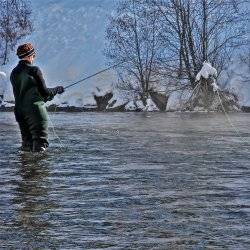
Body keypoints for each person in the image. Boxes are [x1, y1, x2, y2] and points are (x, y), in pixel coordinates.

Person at [10, 43, 64, 152]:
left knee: (27, 146)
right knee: (40, 145)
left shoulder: (14, 73)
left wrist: (46, 97)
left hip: (20, 112)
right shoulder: (34, 70)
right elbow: (44, 92)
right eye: (33, 55)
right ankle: (40, 169)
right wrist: (57, 89)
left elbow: (27, 93)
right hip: (35, 111)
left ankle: (24, 168)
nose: (34, 58)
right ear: (30, 55)